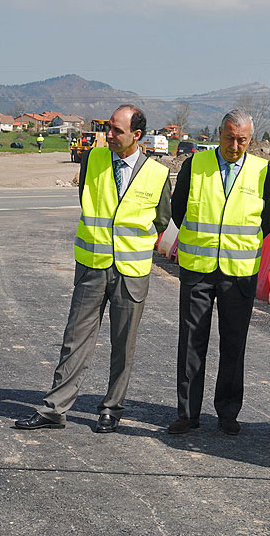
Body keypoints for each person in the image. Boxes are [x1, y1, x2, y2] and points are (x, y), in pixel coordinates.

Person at [15, 105, 171, 433]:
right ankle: (55, 408)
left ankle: (112, 409)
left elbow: (161, 219)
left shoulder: (158, 174)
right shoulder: (93, 160)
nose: (109, 135)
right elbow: (87, 199)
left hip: (131, 271)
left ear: (137, 135)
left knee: (123, 342)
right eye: (108, 128)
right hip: (92, 265)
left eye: (117, 131)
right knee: (75, 337)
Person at [167, 109, 270, 436]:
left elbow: (268, 219)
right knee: (190, 342)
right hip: (197, 271)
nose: (235, 145)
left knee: (233, 344)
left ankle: (228, 412)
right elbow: (178, 211)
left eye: (242, 139)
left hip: (238, 273)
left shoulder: (262, 172)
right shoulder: (195, 165)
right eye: (229, 137)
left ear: (250, 139)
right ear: (219, 134)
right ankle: (188, 414)